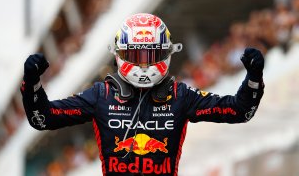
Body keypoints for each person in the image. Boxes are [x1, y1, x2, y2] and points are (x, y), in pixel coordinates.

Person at [21, 13, 264, 176]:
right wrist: (32, 84)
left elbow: (238, 111)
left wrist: (253, 79)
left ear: (167, 53)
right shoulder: (100, 95)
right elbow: (44, 118)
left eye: (152, 55)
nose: (144, 65)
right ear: (119, 54)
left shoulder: (180, 94)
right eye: (137, 56)